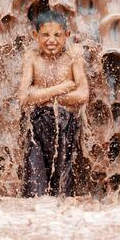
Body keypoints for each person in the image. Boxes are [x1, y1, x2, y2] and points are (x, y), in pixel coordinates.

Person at [18, 10, 89, 197]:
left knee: (63, 191)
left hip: (66, 125)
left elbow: (83, 94)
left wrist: (41, 96)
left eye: (57, 35)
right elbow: (23, 98)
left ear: (67, 36)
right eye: (45, 35)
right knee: (34, 189)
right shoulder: (31, 57)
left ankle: (60, 225)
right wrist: (62, 88)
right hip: (36, 127)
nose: (52, 40)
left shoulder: (74, 56)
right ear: (35, 36)